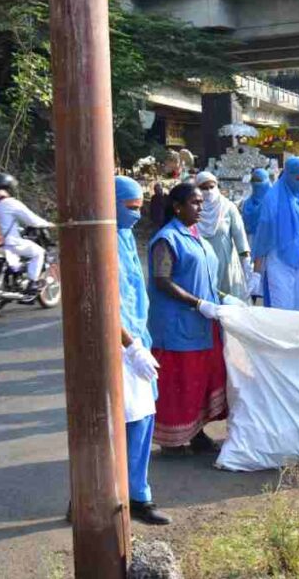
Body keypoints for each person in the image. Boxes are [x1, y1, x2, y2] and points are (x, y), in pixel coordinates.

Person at [148, 182, 227, 455]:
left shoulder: (196, 236)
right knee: (179, 382)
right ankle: (172, 440)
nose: (200, 208)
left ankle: (197, 432)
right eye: (194, 203)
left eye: (201, 203)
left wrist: (222, 298)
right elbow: (162, 280)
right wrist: (198, 303)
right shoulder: (166, 239)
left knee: (202, 379)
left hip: (204, 324)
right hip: (177, 325)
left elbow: (203, 277)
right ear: (177, 207)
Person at [113, 176, 171, 525]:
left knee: (141, 419)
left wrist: (139, 341)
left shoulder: (122, 237)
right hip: (117, 346)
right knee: (122, 423)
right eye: (129, 207)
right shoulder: (99, 241)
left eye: (139, 207)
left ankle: (136, 492)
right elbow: (105, 303)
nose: (136, 214)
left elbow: (134, 296)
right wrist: (131, 346)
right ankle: (129, 496)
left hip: (134, 339)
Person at [251, 157, 299, 312]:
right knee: (282, 312)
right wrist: (256, 273)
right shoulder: (272, 200)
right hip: (278, 262)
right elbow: (263, 239)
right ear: (288, 176)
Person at [0, 172, 54, 294]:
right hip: (9, 242)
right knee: (38, 252)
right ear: (9, 187)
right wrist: (48, 224)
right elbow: (32, 220)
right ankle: (32, 283)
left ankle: (13, 277)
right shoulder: (10, 203)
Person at [195, 172, 251, 301]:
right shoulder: (194, 209)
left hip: (225, 264)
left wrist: (246, 262)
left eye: (211, 187)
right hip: (202, 263)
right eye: (204, 188)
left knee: (227, 304)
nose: (209, 191)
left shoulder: (228, 207)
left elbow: (239, 234)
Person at [239, 168, 271, 240]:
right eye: (254, 181)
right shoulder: (246, 204)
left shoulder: (273, 204)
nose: (256, 183)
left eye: (259, 181)